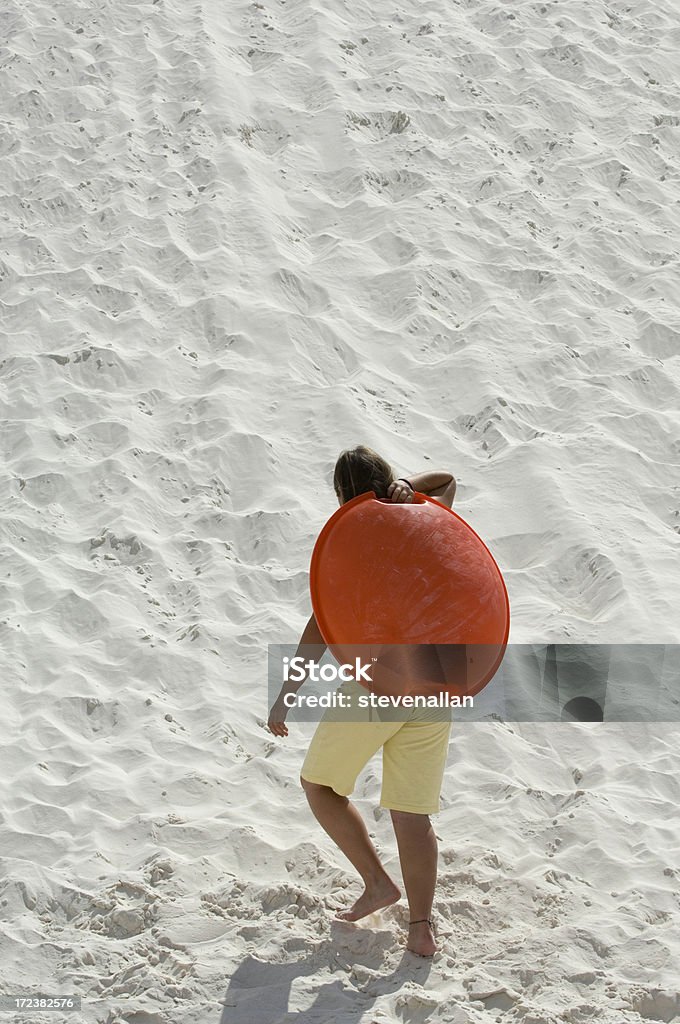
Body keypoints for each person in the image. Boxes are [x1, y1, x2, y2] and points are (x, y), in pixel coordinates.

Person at [267, 446, 457, 957]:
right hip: (436, 687)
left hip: (378, 688)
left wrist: (286, 696)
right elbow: (448, 482)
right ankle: (420, 927)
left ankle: (377, 883)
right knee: (412, 814)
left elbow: (319, 631)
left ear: (339, 497)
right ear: (389, 479)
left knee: (320, 785)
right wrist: (409, 490)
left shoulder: (348, 545)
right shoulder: (422, 521)